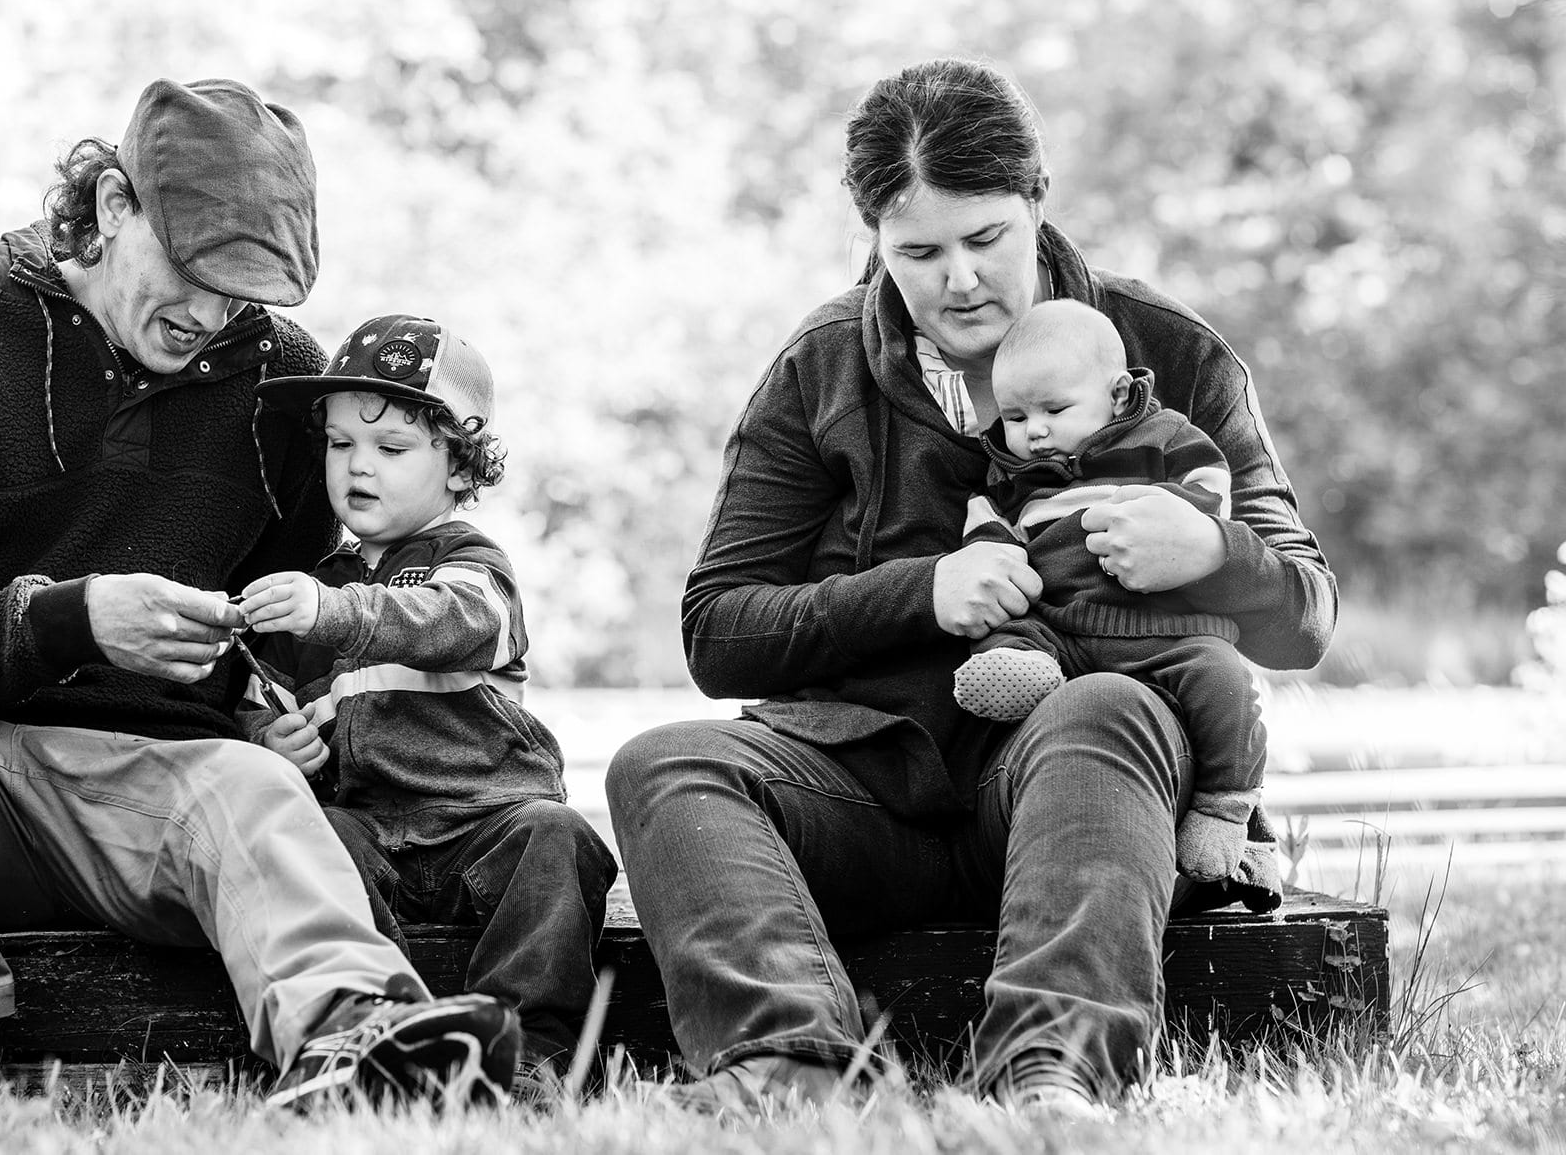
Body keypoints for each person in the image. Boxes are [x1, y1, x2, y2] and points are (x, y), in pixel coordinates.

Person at [0, 79, 519, 1110]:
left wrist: (273, 715)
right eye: (189, 272)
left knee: (255, 787)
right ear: (106, 206)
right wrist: (72, 618)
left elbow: (275, 645)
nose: (209, 315)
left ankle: (358, 1048)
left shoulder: (283, 380)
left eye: (244, 291)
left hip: (161, 795)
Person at [605, 58, 1335, 1117]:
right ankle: (788, 1068)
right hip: (861, 791)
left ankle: (1051, 1077)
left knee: (1107, 703)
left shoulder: (1166, 353)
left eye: (985, 240)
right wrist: (920, 591)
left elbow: (1306, 616)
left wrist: (1215, 552)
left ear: (1036, 203)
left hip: (1083, 801)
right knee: (663, 762)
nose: (958, 281)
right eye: (918, 253)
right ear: (873, 243)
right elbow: (718, 634)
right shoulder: (818, 369)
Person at [241, 314, 618, 1101]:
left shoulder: (470, 561)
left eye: (392, 447)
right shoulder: (318, 582)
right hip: (371, 827)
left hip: (485, 818)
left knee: (556, 838)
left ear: (458, 463)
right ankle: (377, 1030)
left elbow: (460, 622)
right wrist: (271, 740)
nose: (358, 466)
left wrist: (333, 611)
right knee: (307, 842)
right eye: (341, 444)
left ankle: (531, 1057)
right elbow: (258, 696)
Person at [952, 298, 1267, 883]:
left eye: (1055, 409)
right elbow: (988, 530)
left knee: (1223, 680)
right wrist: (984, 557)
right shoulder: (1018, 476)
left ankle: (1225, 808)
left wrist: (1184, 525)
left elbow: (1209, 484)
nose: (1035, 431)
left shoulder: (1162, 437)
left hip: (1164, 629)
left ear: (1118, 395)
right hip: (1062, 627)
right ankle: (1018, 672)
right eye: (1016, 418)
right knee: (1009, 632)